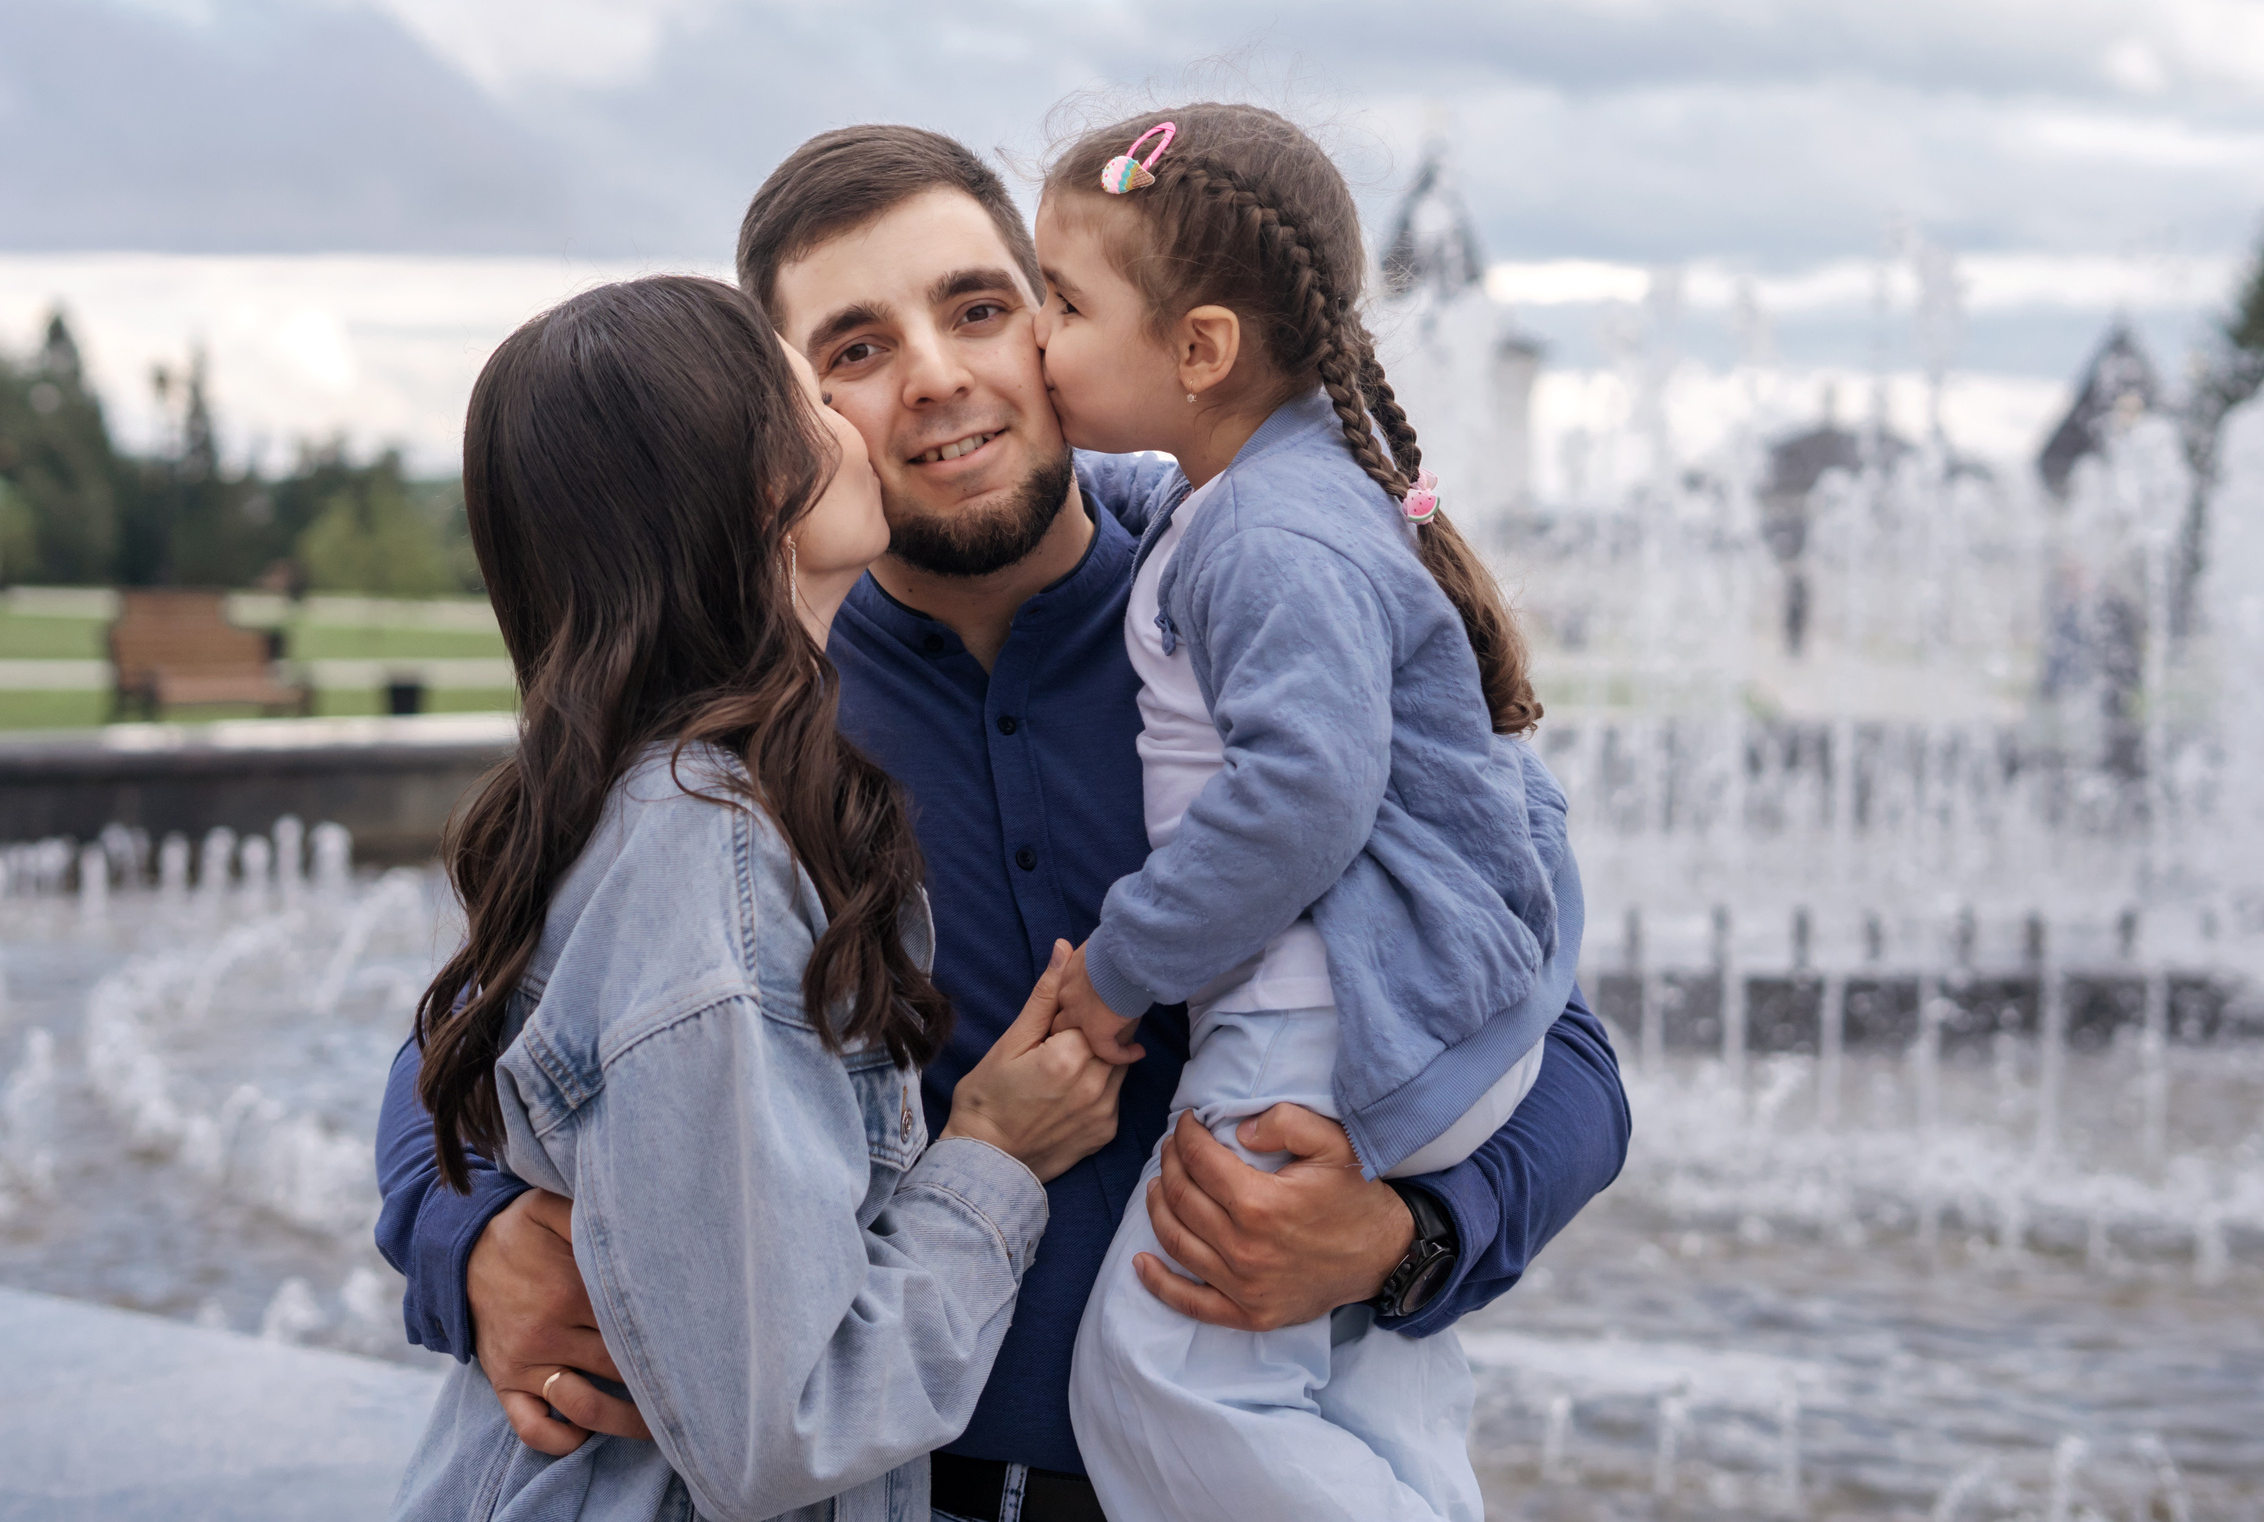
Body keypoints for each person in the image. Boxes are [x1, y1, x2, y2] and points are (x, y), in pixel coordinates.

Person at [375, 124, 1633, 1522]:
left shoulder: (1261, 603)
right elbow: (492, 1036)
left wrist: (1407, 1238)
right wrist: (471, 1242)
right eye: (855, 349)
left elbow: (1553, 1031)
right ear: (782, 420)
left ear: (1061, 318)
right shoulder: (737, 719)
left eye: (978, 308)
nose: (935, 376)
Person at [390, 274, 1129, 1521]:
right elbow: (786, 1424)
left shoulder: (670, 803)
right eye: (817, 396)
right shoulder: (708, 862)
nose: (860, 424)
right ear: (751, 488)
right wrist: (994, 1157)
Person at [1035, 104, 1567, 1521]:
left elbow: (1299, 797)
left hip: (1311, 1022)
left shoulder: (1269, 534)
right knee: (1360, 1393)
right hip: (1380, 1008)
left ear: (1200, 349)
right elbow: (1107, 488)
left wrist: (1120, 967)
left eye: (1062, 304)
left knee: (1162, 1382)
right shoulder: (1270, 489)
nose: (1033, 337)